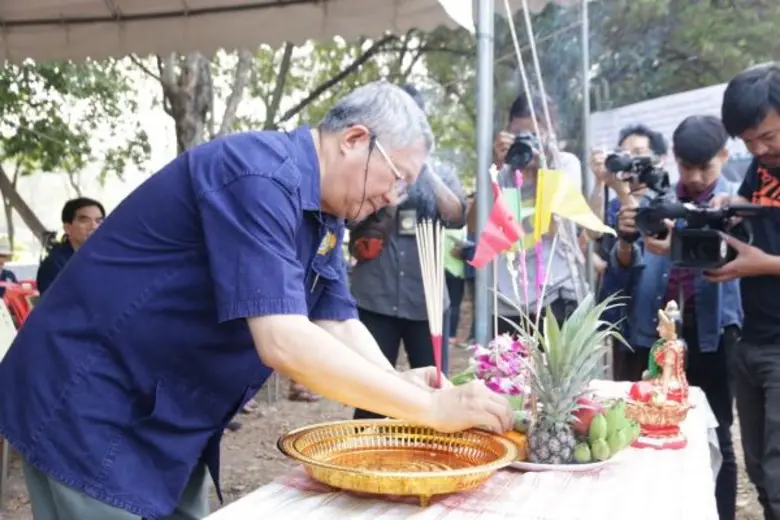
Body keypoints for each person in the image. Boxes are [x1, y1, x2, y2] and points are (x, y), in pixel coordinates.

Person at [0, 81, 513, 520]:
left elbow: (335, 319)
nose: (394, 197)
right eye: (398, 178)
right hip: (91, 399)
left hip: (168, 410)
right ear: (355, 140)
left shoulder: (325, 212)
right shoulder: (259, 177)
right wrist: (427, 408)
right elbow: (283, 341)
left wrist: (394, 382)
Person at [604, 115, 742, 520]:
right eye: (687, 167)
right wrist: (628, 237)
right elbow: (622, 270)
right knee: (647, 434)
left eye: (706, 168)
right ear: (674, 160)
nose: (697, 178)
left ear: (724, 156)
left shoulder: (733, 202)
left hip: (714, 335)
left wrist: (687, 238)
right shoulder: (654, 203)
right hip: (655, 335)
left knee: (717, 434)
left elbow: (736, 262)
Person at [349, 83, 466, 420]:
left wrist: (422, 170)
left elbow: (456, 215)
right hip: (376, 296)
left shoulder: (438, 171)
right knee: (370, 394)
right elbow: (351, 220)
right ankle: (363, 462)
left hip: (425, 299)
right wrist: (389, 200)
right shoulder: (369, 162)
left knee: (435, 389)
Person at [706, 64, 780, 520]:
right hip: (751, 336)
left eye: (767, 136)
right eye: (747, 140)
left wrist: (763, 266)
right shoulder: (760, 168)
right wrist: (732, 212)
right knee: (757, 466)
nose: (757, 149)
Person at [473, 91, 583, 332]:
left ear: (552, 132)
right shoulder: (500, 173)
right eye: (518, 134)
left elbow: (554, 227)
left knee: (555, 371)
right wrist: (494, 170)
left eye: (534, 135)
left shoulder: (565, 164)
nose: (526, 141)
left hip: (557, 294)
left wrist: (542, 167)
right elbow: (476, 227)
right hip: (508, 299)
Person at [36, 197, 105, 294]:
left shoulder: (106, 258)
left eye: (99, 221)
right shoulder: (55, 264)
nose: (94, 226)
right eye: (85, 220)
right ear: (67, 228)